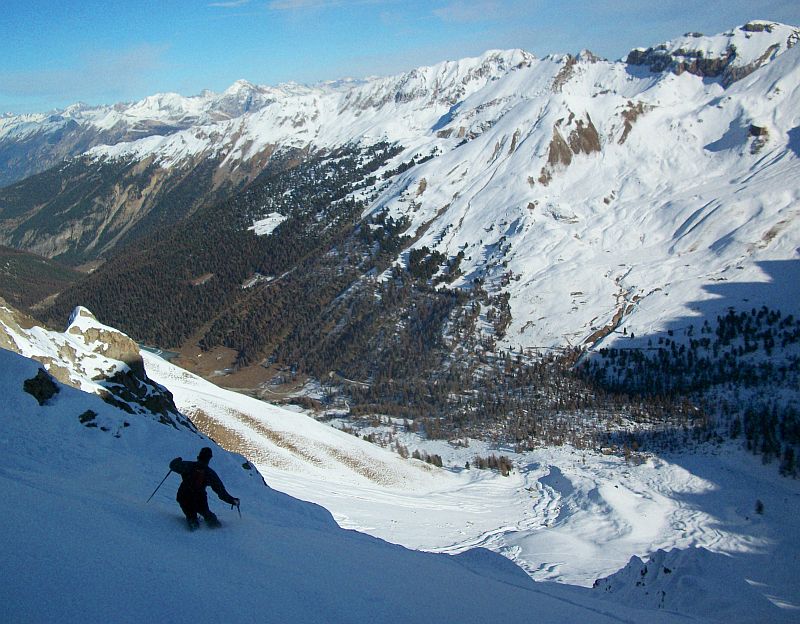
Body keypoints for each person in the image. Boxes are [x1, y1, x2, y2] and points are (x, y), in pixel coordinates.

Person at [169, 447, 239, 530]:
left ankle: (193, 534)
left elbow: (173, 465)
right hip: (200, 500)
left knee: (191, 517)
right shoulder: (210, 473)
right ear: (209, 459)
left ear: (199, 456)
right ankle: (217, 532)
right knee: (208, 516)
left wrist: (178, 459)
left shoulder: (188, 465)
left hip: (184, 496)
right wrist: (233, 500)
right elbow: (221, 492)